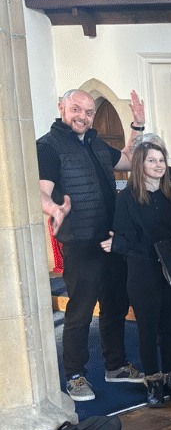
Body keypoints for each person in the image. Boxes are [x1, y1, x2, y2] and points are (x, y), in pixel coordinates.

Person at [37, 88, 148, 402]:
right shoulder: (48, 146)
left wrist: (137, 126)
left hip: (109, 241)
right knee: (80, 312)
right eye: (76, 109)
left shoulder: (95, 142)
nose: (83, 116)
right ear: (62, 107)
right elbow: (42, 190)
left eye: (88, 112)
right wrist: (52, 208)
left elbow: (127, 160)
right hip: (80, 242)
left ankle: (115, 366)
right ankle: (75, 375)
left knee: (115, 306)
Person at [111, 141, 171, 408]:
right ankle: (153, 382)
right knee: (147, 329)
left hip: (170, 270)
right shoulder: (127, 198)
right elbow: (124, 239)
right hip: (143, 270)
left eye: (161, 160)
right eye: (151, 161)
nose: (158, 165)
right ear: (140, 165)